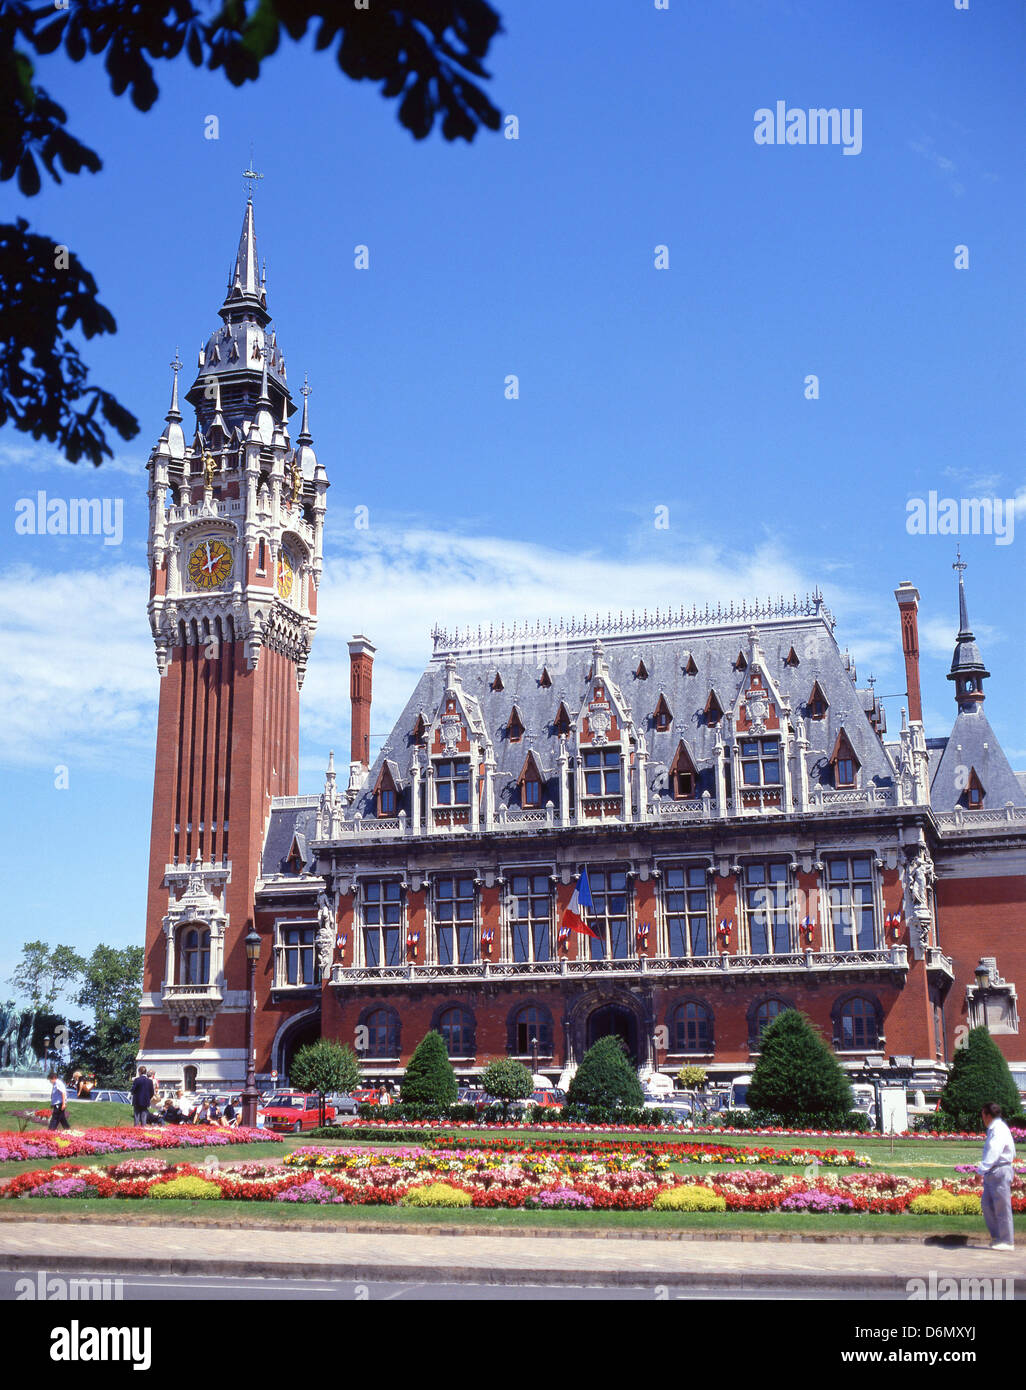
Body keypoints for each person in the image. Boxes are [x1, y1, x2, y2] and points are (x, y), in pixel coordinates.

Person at [978, 1102, 1016, 1251]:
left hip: (999, 1170)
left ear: (988, 1115)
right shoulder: (995, 1129)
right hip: (993, 1171)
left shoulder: (998, 1130)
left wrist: (981, 1170)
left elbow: (994, 1151)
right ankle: (998, 1237)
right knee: (987, 1205)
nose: (982, 1119)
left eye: (982, 1115)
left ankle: (1007, 1241)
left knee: (1001, 1207)